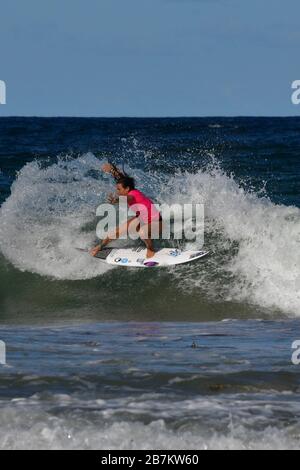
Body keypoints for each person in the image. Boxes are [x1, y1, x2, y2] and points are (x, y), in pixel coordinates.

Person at [90, 163, 162, 258]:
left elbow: (129, 198)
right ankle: (100, 246)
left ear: (127, 189)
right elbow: (121, 178)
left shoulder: (133, 195)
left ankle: (151, 249)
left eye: (119, 189)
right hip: (142, 219)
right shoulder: (129, 188)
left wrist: (116, 200)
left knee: (142, 232)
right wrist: (112, 170)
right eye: (117, 189)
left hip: (157, 223)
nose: (117, 191)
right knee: (115, 232)